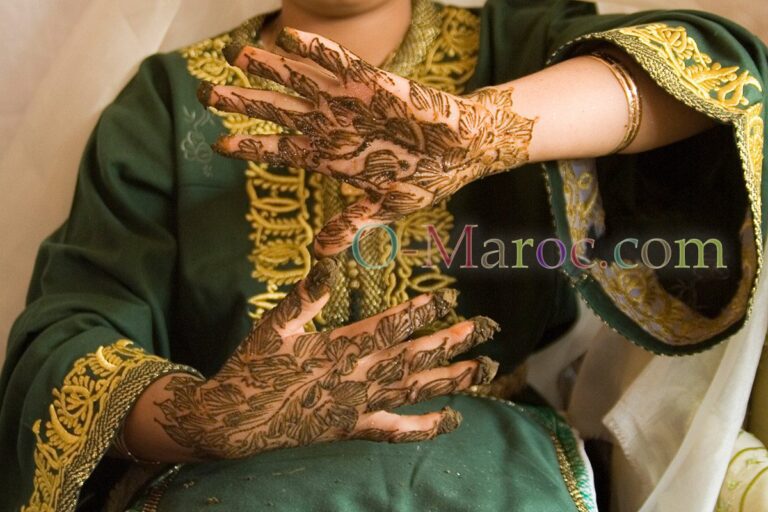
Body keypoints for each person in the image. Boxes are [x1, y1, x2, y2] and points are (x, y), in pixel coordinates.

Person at [0, 0, 765, 510]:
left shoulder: (516, 46)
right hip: (231, 484)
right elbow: (66, 342)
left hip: (497, 474)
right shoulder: (168, 106)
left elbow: (724, 78)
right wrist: (203, 417)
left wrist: (488, 126)